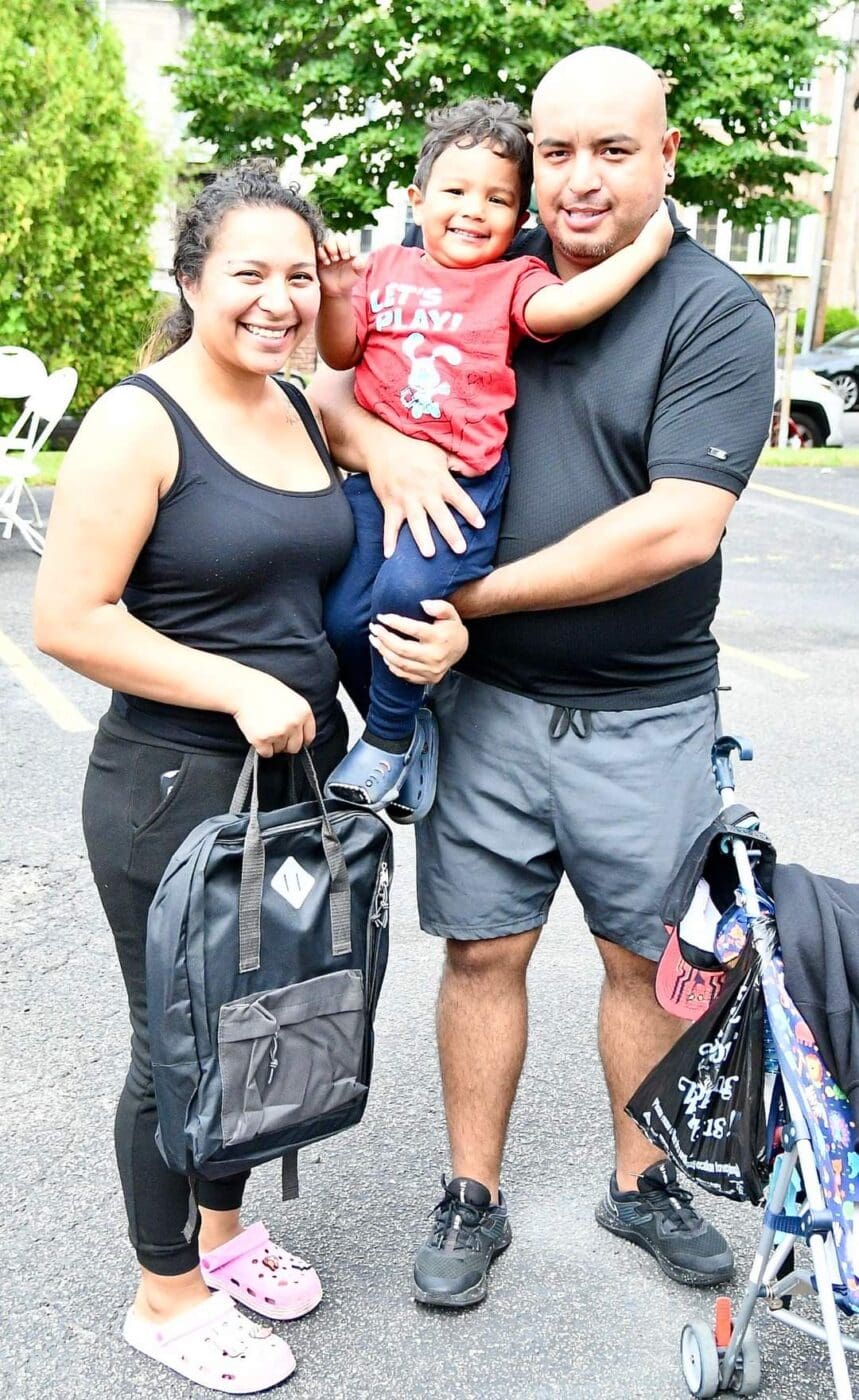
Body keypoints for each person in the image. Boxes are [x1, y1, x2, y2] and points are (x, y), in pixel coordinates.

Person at [312, 46, 776, 1309]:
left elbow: (679, 524)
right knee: (481, 954)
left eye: (611, 150)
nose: (578, 178)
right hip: (485, 709)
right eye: (556, 150)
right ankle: (472, 1192)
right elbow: (328, 379)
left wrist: (465, 598)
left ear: (665, 156)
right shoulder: (473, 281)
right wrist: (376, 444)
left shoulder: (712, 310)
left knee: (642, 960)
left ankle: (645, 1178)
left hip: (646, 709)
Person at [33, 161, 467, 1389]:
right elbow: (68, 615)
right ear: (190, 281)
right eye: (247, 275)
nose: (276, 300)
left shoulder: (293, 405)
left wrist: (434, 646)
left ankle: (221, 1237)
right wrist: (230, 683)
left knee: (256, 1015)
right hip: (172, 782)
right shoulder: (138, 418)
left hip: (295, 775)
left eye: (296, 274)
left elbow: (320, 581)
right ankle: (162, 1293)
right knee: (173, 1035)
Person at [316, 99, 673, 818]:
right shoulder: (384, 269)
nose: (473, 209)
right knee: (341, 615)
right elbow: (337, 354)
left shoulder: (511, 282)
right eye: (454, 191)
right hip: (376, 483)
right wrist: (333, 296)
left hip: (460, 489)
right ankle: (404, 725)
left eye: (497, 199)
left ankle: (383, 741)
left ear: (519, 221)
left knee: (397, 601)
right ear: (417, 201)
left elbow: (566, 310)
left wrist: (644, 252)